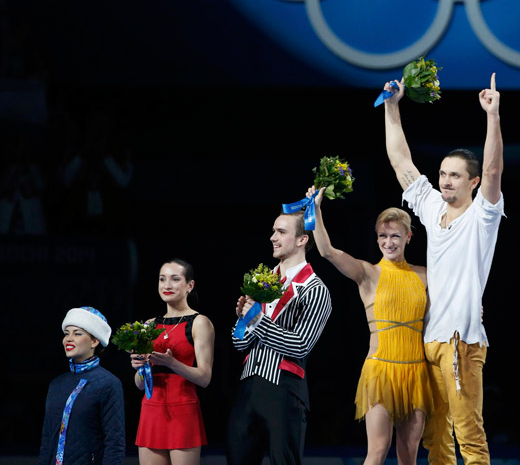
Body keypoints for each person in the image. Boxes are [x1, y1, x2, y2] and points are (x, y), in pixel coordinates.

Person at [383, 73, 503, 465]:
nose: (445, 180)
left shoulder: (482, 217)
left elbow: (494, 171)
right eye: (442, 174)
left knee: (468, 433)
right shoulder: (433, 209)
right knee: (437, 439)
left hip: (462, 341)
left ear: (472, 182)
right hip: (430, 338)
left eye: (454, 175)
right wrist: (392, 105)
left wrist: (492, 115)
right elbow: (401, 162)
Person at [306, 186, 432, 465]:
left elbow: (452, 306)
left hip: (416, 372)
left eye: (395, 236)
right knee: (376, 451)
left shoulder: (426, 275)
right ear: (377, 238)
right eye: (383, 236)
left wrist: (476, 311)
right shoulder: (368, 273)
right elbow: (326, 251)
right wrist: (315, 209)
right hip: (380, 370)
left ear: (408, 237)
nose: (389, 242)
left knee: (409, 456)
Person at [226, 208, 332, 465]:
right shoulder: (261, 282)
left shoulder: (316, 290)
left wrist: (257, 320)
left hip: (284, 389)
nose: (273, 237)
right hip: (248, 384)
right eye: (273, 231)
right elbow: (239, 342)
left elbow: (300, 345)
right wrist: (245, 320)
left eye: (281, 232)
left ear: (302, 240)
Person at [130, 259, 214, 465]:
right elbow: (140, 384)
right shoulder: (149, 325)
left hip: (183, 411)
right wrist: (140, 368)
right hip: (151, 410)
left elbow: (204, 378)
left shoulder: (199, 322)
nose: (167, 285)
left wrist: (172, 363)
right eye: (162, 279)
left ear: (189, 285)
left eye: (175, 279)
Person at [39, 306, 125, 465]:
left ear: (95, 340)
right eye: (66, 333)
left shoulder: (108, 384)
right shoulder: (57, 384)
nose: (68, 339)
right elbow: (46, 441)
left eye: (77, 333)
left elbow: (115, 443)